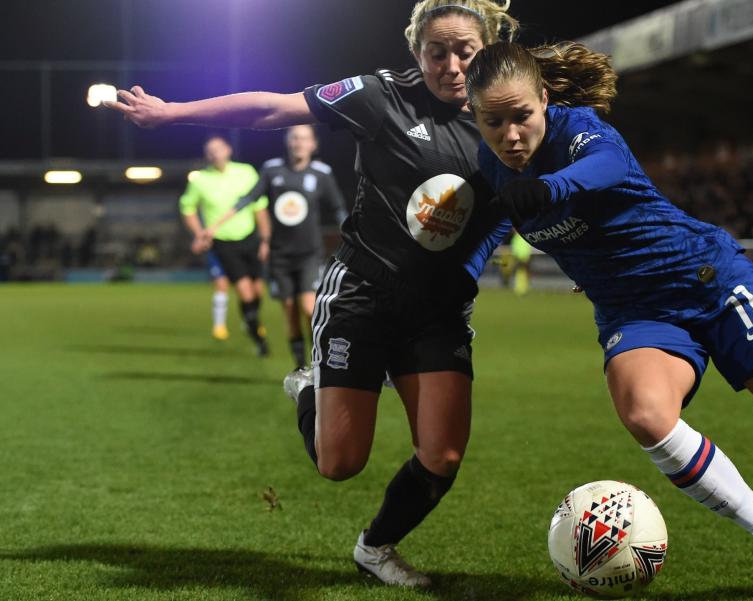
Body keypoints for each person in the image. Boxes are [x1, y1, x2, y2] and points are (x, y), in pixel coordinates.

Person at [464, 41, 753, 601]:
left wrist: (553, 185)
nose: (509, 134)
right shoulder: (490, 167)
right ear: (473, 117)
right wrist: (457, 276)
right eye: (492, 121)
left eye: (521, 115)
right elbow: (486, 232)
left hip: (709, 280)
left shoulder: (578, 129)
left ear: (545, 100)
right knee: (647, 415)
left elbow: (609, 166)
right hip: (636, 312)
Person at [105, 0, 519, 587]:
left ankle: (375, 549)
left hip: (439, 310)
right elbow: (272, 108)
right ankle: (308, 389)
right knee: (339, 464)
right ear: (415, 50)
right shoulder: (379, 96)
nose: (451, 65)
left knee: (443, 456)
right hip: (363, 297)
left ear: (488, 50)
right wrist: (172, 113)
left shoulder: (504, 114)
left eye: (465, 52)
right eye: (436, 51)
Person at [203, 125, 349, 368]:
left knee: (309, 308)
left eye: (304, 138)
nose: (299, 143)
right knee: (290, 311)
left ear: (313, 144)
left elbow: (338, 208)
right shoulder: (272, 170)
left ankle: (318, 363)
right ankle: (300, 367)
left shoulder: (322, 173)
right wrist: (214, 226)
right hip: (280, 255)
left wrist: (352, 235)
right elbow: (248, 199)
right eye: (294, 138)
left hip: (309, 254)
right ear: (287, 141)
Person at [180, 134, 271, 356]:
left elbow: (260, 207)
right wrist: (199, 233)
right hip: (223, 243)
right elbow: (187, 208)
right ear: (206, 155)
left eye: (218, 148)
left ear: (228, 150)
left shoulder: (246, 172)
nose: (214, 154)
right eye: (210, 151)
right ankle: (259, 340)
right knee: (244, 291)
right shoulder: (200, 179)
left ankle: (249, 320)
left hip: (250, 238)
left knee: (258, 290)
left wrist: (265, 239)